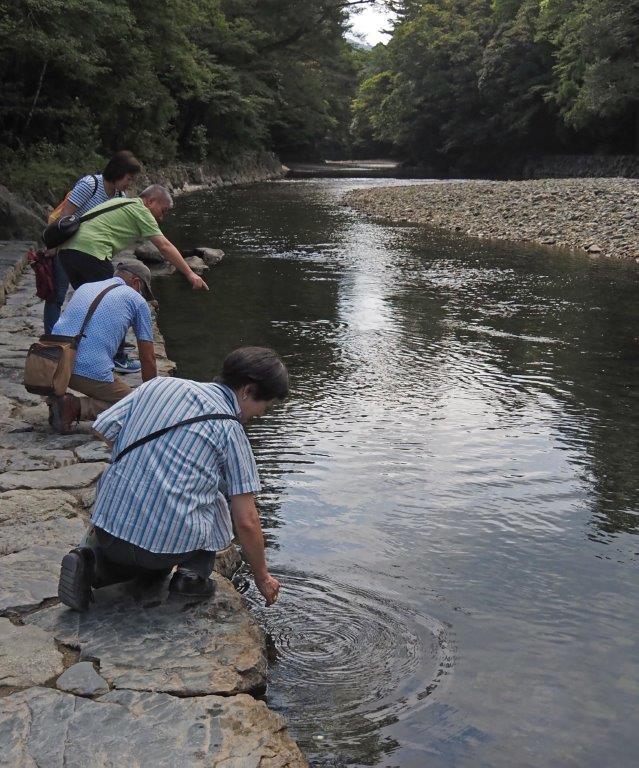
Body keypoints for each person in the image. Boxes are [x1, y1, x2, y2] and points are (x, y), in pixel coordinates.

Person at [57, 347, 287, 609]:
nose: (259, 415)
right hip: (164, 548)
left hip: (109, 531)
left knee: (141, 561)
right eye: (264, 407)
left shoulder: (158, 385)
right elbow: (246, 520)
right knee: (219, 495)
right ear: (247, 391)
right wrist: (263, 577)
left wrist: (150, 465)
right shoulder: (230, 430)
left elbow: (103, 430)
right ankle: (191, 577)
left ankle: (92, 565)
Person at [44, 151, 141, 343]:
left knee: (90, 298)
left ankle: (83, 340)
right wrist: (55, 246)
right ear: (118, 173)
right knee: (57, 296)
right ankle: (52, 340)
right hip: (66, 247)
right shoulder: (90, 185)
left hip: (89, 253)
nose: (130, 183)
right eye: (129, 178)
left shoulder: (119, 196)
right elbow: (65, 216)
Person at [48, 261, 157, 434]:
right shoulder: (137, 300)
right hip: (86, 369)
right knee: (136, 407)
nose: (142, 295)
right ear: (136, 282)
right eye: (143, 290)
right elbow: (148, 357)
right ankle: (74, 406)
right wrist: (152, 399)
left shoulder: (85, 287)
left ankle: (56, 398)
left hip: (53, 361)